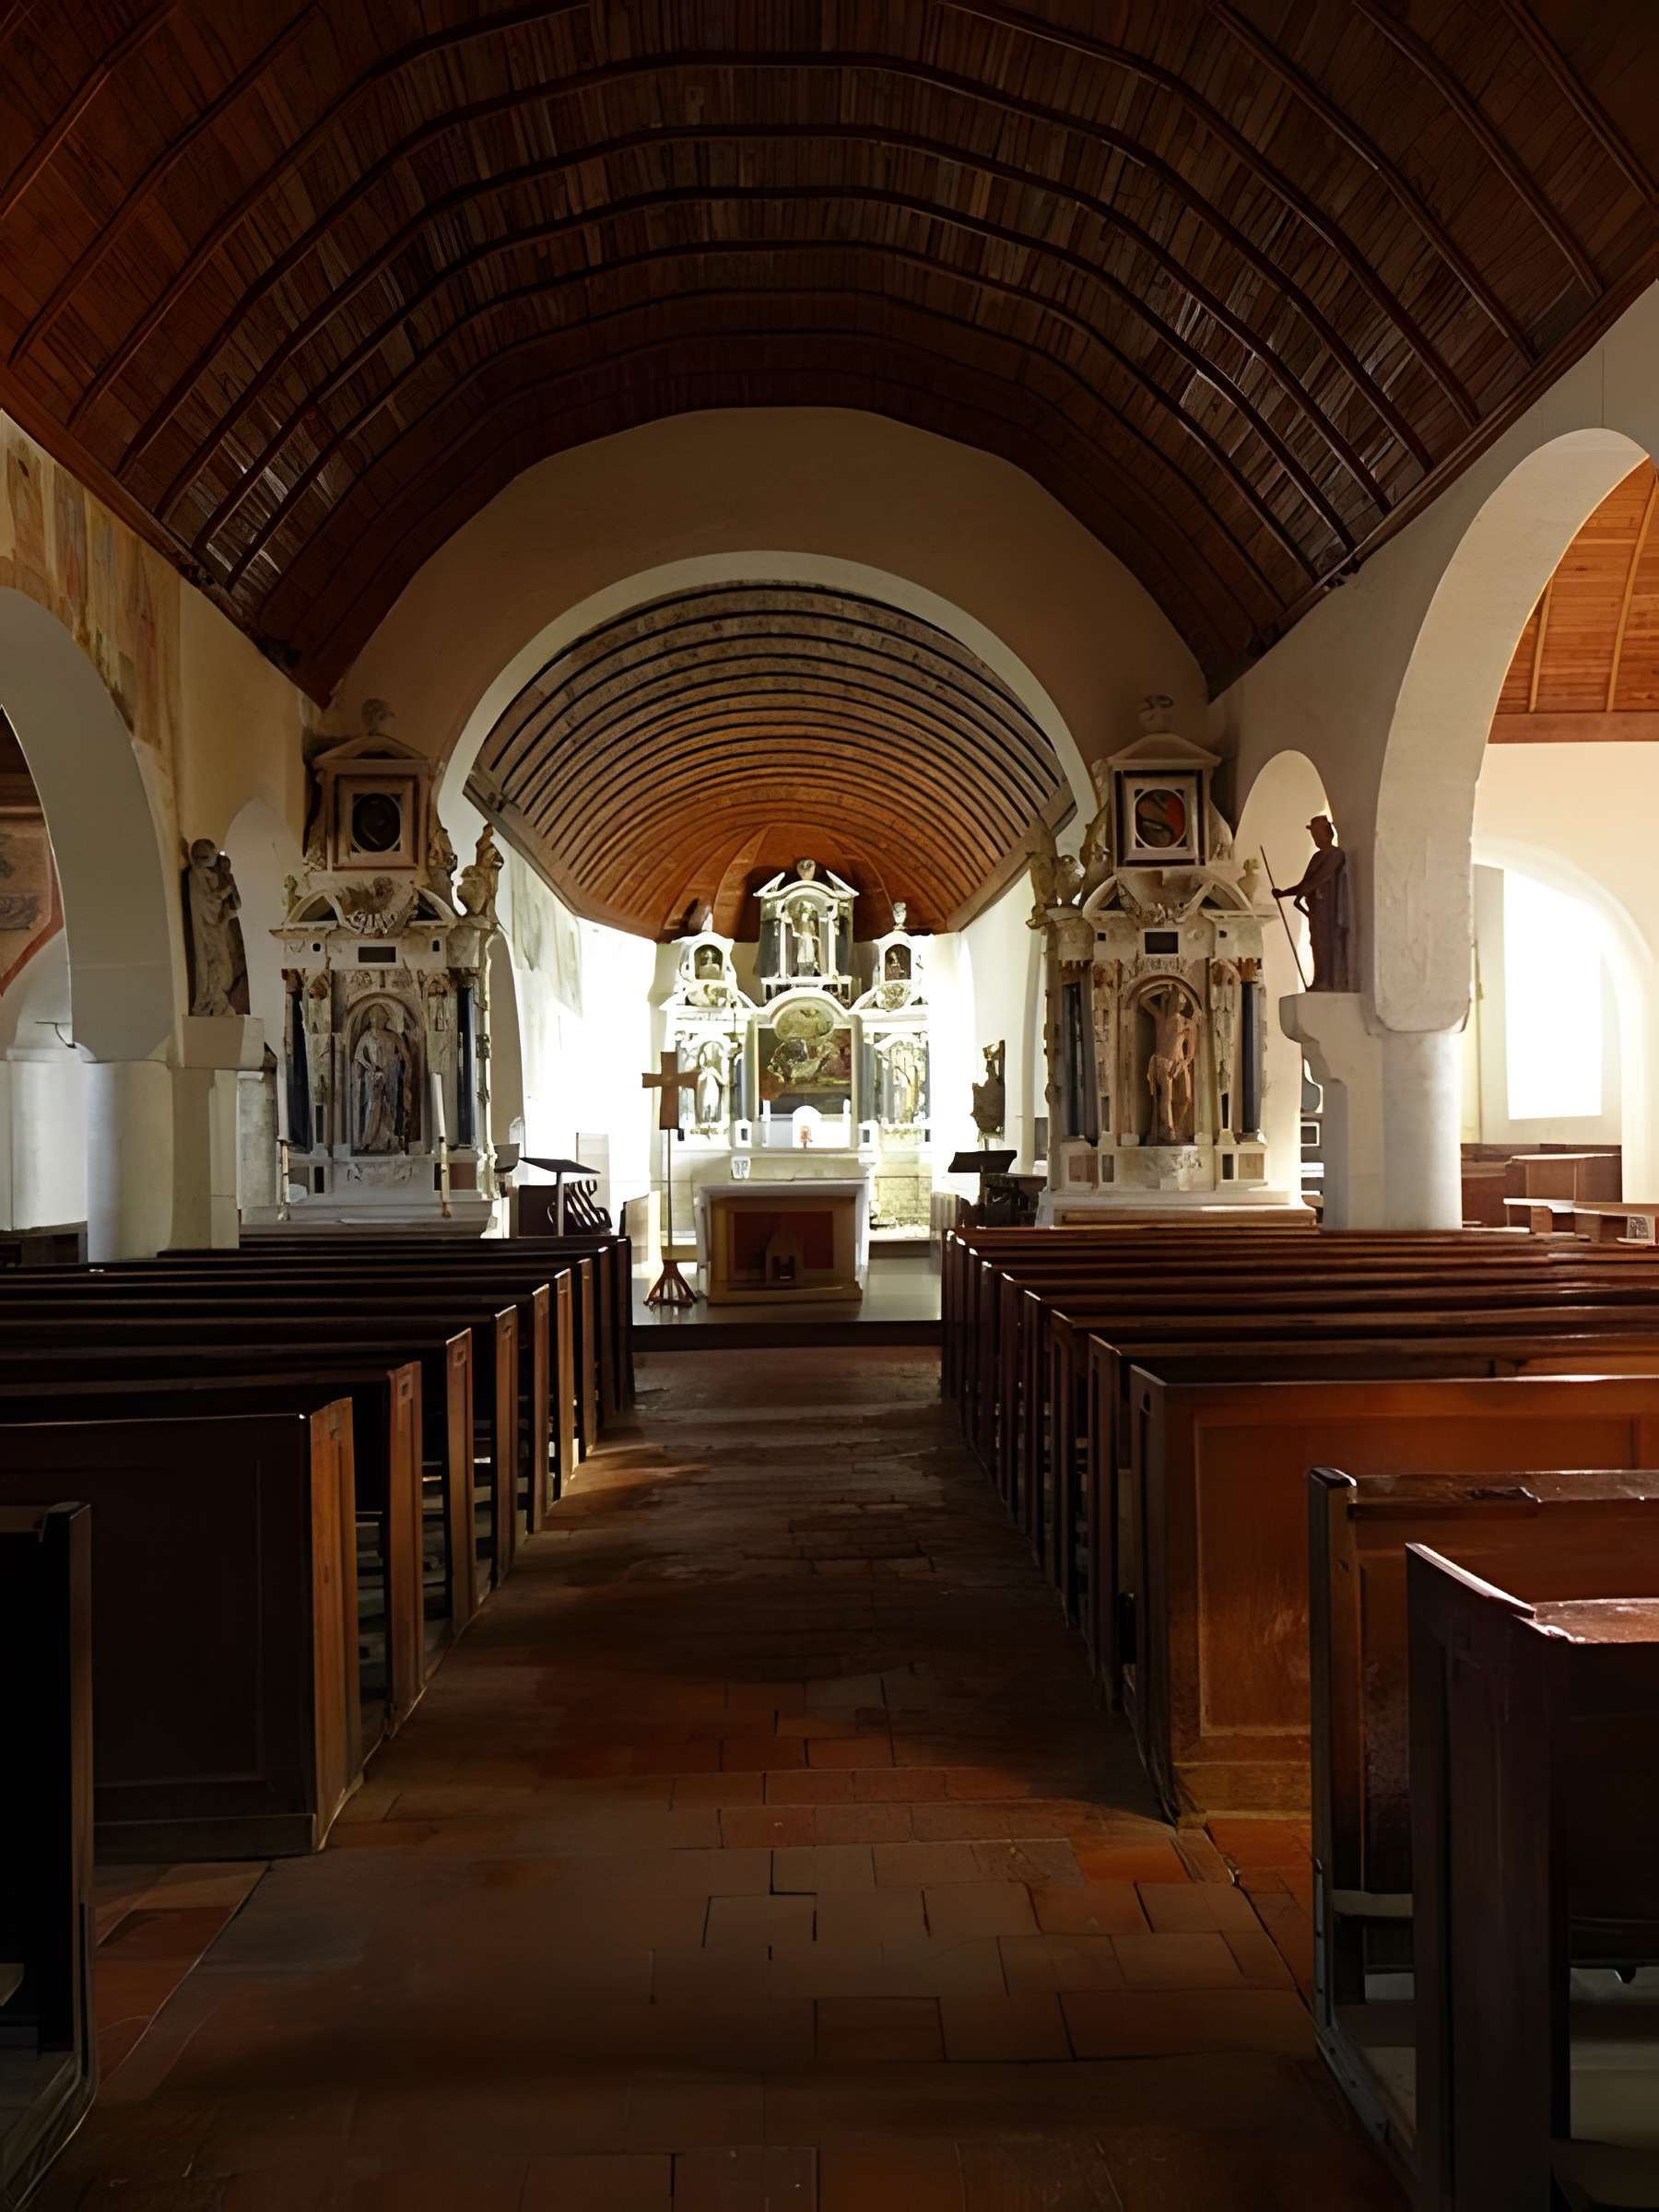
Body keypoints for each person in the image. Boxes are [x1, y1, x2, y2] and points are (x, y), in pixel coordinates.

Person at [1274, 815, 1352, 990]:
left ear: (1328, 833)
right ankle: (1319, 979)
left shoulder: (1335, 854)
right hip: (1316, 909)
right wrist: (1284, 893)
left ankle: (1328, 981)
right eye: (1313, 835)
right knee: (1315, 943)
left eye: (1318, 834)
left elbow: (1320, 877)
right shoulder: (1317, 857)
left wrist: (1302, 892)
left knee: (1326, 943)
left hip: (1328, 909)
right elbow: (1305, 883)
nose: (1315, 838)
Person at [352, 1004, 411, 1152]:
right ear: (371, 1018)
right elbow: (358, 1057)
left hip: (391, 1076)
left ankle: (388, 1140)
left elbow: (406, 1057)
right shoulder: (366, 1036)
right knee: (373, 1107)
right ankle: (369, 1140)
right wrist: (369, 1067)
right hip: (373, 1078)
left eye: (382, 1016)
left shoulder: (394, 1036)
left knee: (390, 1108)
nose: (378, 1019)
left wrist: (403, 1071)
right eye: (375, 1016)